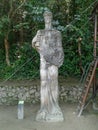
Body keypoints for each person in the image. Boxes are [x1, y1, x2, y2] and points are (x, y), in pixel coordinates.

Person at [32, 11, 64, 122]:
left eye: (49, 16)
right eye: (45, 16)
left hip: (53, 62)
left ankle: (55, 107)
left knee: (54, 82)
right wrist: (37, 45)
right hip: (43, 62)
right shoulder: (40, 32)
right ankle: (44, 108)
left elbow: (60, 49)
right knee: (44, 83)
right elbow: (34, 43)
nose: (47, 18)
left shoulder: (57, 33)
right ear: (43, 18)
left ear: (52, 17)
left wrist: (57, 60)